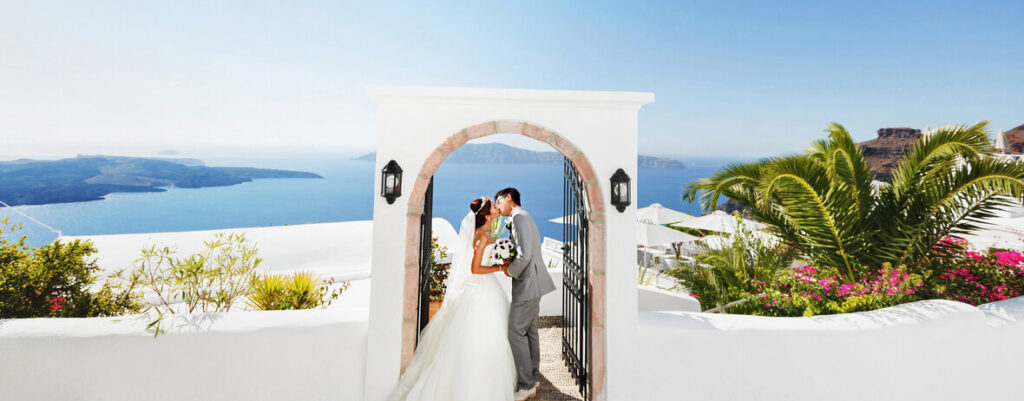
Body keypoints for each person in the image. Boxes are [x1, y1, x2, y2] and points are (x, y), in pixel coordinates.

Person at [389, 197, 517, 401]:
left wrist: (500, 257)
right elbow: (475, 269)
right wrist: (501, 267)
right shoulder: (483, 235)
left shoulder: (485, 233)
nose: (496, 207)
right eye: (493, 206)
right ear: (485, 214)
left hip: (485, 287)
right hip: (481, 289)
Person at [494, 187, 557, 401]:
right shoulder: (523, 216)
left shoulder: (518, 218)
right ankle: (534, 377)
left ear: (508, 198)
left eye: (499, 202)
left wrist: (508, 270)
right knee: (530, 331)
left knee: (515, 332)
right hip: (535, 283)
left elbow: (524, 255)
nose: (498, 206)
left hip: (528, 284)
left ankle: (526, 384)